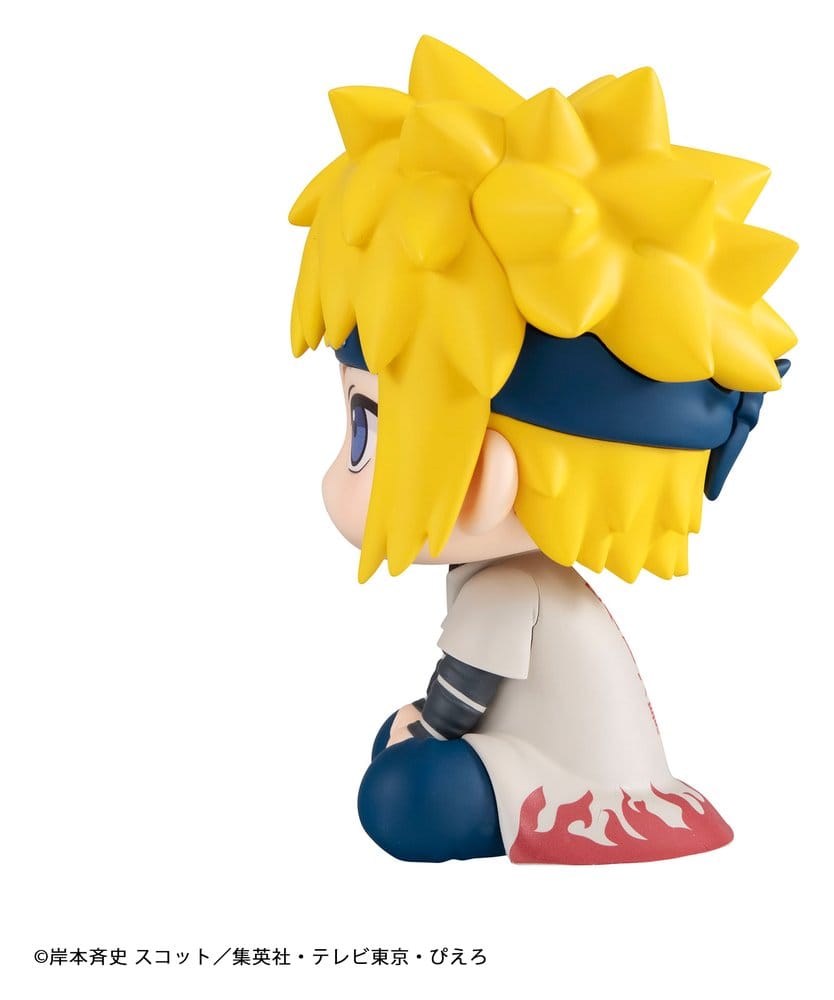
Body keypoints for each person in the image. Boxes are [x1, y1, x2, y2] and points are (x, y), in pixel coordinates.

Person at [288, 37, 796, 863]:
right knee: (398, 744)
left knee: (399, 796)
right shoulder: (520, 579)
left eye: (365, 430)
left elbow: (460, 697)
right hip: (560, 751)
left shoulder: (509, 585)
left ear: (487, 475)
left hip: (569, 790)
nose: (341, 469)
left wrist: (429, 729)